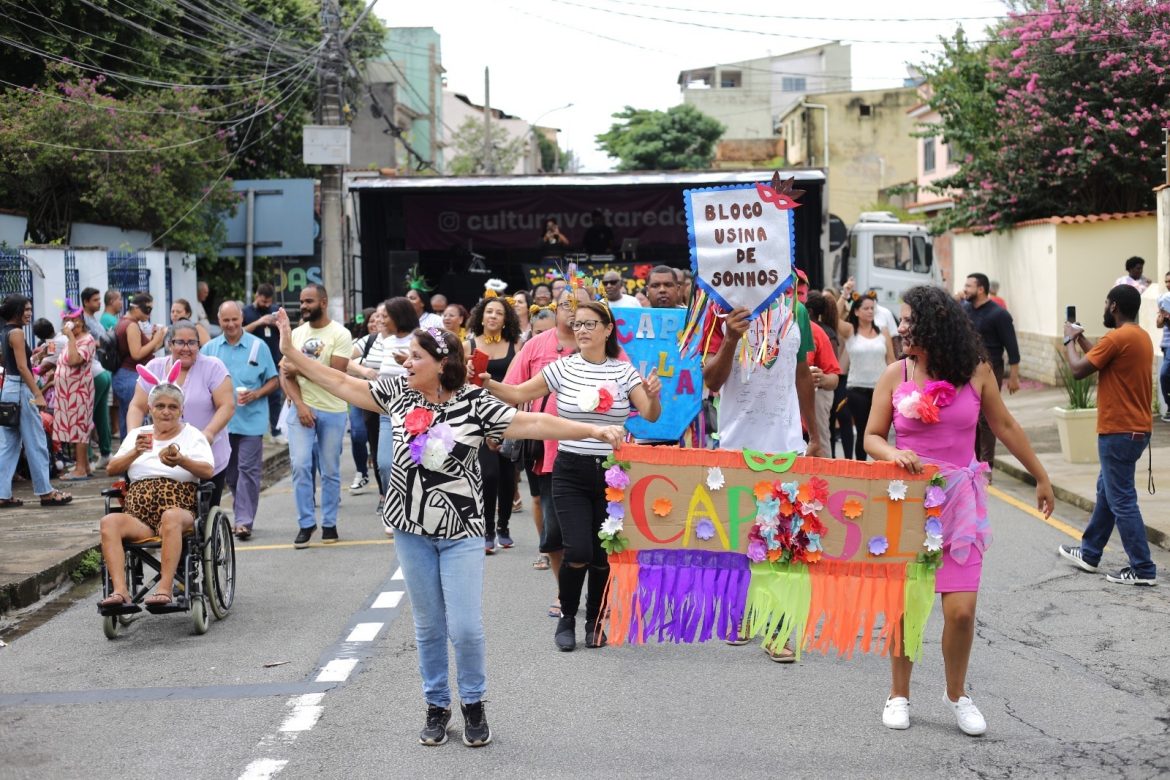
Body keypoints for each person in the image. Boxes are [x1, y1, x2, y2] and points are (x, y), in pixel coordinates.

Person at [273, 312, 625, 748]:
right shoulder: (397, 394)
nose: (406, 363)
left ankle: (473, 703)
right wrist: (290, 352)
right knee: (428, 627)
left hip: (462, 532)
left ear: (441, 363)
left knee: (466, 628)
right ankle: (436, 705)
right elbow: (343, 383)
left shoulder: (475, 403)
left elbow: (533, 423)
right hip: (410, 529)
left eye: (415, 357)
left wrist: (593, 430)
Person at [865, 284, 1054, 737]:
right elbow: (871, 436)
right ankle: (898, 694)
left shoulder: (977, 371)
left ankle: (956, 695)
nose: (901, 327)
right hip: (909, 506)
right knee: (908, 606)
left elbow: (1004, 424)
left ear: (935, 326)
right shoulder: (895, 374)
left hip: (961, 506)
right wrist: (894, 453)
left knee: (962, 612)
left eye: (909, 320)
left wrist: (1041, 475)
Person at [486, 300, 661, 652]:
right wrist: (484, 382)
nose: (581, 330)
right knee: (577, 549)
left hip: (612, 474)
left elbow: (651, 415)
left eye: (590, 324)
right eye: (577, 324)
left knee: (601, 554)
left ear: (608, 329)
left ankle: (595, 621)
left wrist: (654, 396)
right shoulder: (563, 367)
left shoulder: (623, 371)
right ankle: (567, 617)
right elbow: (518, 393)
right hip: (569, 469)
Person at [702, 277, 819, 662]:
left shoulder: (796, 312)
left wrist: (814, 432)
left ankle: (780, 629)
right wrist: (731, 338)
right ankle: (744, 614)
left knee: (784, 540)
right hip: (737, 447)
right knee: (741, 540)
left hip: (787, 446)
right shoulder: (721, 310)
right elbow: (711, 379)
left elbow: (802, 373)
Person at [1058, 284, 1157, 586]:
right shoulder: (1138, 336)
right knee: (1108, 491)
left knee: (1121, 499)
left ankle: (1143, 568)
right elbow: (1101, 358)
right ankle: (1090, 553)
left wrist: (1068, 340)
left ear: (1114, 306)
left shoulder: (1117, 337)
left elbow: (1078, 370)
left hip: (1118, 431)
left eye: (1105, 303)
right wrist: (1081, 339)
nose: (1104, 308)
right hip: (1136, 430)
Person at [97, 382, 214, 610]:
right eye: (160, 406)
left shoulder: (192, 435)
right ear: (150, 409)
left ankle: (165, 589)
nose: (166, 411)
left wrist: (182, 461)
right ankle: (120, 591)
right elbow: (112, 468)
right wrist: (136, 451)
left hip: (179, 510)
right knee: (109, 521)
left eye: (172, 406)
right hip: (139, 516)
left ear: (181, 410)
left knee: (171, 517)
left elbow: (208, 471)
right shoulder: (138, 435)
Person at [128, 321, 234, 508]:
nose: (186, 348)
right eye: (180, 342)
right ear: (170, 344)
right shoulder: (155, 367)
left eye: (192, 343)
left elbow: (226, 405)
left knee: (205, 511)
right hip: (161, 458)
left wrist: (208, 434)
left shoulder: (213, 367)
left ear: (198, 345)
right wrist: (133, 437)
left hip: (205, 454)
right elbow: (137, 406)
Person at [202, 301, 280, 540]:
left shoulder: (258, 346)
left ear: (242, 319)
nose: (231, 324)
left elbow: (274, 379)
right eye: (225, 320)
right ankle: (241, 510)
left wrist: (256, 394)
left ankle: (244, 521)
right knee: (231, 475)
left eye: (234, 319)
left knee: (248, 470)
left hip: (251, 421)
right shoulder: (210, 349)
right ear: (219, 320)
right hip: (221, 424)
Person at [282, 284, 351, 548]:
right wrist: (300, 405)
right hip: (302, 408)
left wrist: (299, 368)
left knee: (330, 470)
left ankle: (329, 523)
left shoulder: (340, 334)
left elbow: (336, 375)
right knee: (300, 465)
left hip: (333, 409)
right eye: (301, 301)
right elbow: (284, 374)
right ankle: (306, 523)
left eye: (308, 301)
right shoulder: (296, 334)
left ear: (323, 302)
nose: (303, 306)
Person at [0, 295, 73, 508]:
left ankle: (2, 494)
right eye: (26, 309)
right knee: (36, 441)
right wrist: (38, 393)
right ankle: (46, 492)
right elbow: (22, 368)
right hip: (21, 390)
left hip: (9, 389)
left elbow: (11, 362)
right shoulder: (17, 333)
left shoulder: (5, 331)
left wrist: (35, 358)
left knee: (9, 445)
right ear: (16, 311)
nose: (29, 313)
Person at [466, 295, 523, 553]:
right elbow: (459, 383)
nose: (493, 316)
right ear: (481, 316)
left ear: (506, 319)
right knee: (488, 475)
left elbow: (521, 382)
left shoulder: (516, 345)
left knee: (508, 477)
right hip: (478, 418)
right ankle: (487, 530)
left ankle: (503, 527)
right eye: (489, 311)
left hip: (509, 415)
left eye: (499, 313)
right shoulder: (468, 345)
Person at [962, 273, 1021, 471]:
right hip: (967, 369)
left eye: (969, 286)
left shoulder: (999, 315)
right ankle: (973, 463)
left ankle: (986, 467)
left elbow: (1012, 348)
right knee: (970, 416)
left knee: (986, 418)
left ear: (981, 289)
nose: (964, 289)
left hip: (992, 369)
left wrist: (1014, 377)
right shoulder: (965, 310)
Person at [373, 298, 420, 504]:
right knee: (385, 464)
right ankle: (395, 504)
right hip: (387, 411)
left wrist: (409, 361)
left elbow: (435, 368)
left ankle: (412, 506)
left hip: (417, 412)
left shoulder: (420, 339)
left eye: (386, 316)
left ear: (399, 317)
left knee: (415, 464)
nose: (382, 321)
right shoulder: (386, 342)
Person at [841, 292, 895, 460]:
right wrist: (844, 295)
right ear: (856, 311)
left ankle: (881, 468)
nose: (870, 311)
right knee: (863, 431)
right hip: (857, 388)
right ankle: (861, 467)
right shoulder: (850, 331)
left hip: (880, 389)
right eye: (866, 308)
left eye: (873, 308)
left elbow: (891, 360)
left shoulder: (883, 332)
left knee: (882, 433)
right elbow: (833, 316)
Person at [112, 293, 167, 444]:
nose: (149, 313)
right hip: (130, 376)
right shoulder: (131, 325)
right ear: (135, 308)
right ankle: (135, 452)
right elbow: (136, 354)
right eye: (146, 309)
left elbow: (146, 350)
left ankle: (129, 453)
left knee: (127, 420)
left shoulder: (125, 322)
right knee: (135, 421)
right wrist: (156, 339)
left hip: (125, 376)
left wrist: (157, 339)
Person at [54, 302, 97, 481]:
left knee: (80, 428)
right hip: (67, 393)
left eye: (74, 320)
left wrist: (70, 337)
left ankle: (80, 470)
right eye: (67, 320)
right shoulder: (72, 340)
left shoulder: (87, 340)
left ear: (81, 321)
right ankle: (84, 466)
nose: (72, 323)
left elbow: (74, 360)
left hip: (79, 391)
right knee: (74, 428)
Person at [346, 306, 380, 494]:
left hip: (383, 400)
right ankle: (361, 472)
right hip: (359, 395)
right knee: (358, 434)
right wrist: (362, 370)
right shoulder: (360, 343)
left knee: (380, 443)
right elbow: (342, 363)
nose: (376, 323)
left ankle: (386, 485)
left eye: (380, 319)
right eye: (372, 320)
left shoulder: (394, 342)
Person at [803, 292, 842, 458]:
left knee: (820, 446)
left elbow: (834, 376)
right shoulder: (766, 327)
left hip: (815, 401)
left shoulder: (818, 332)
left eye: (800, 294)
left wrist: (821, 378)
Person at [243, 283, 283, 440]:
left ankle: (276, 431)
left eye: (269, 302)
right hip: (252, 362)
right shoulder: (246, 312)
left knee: (275, 396)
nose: (266, 305)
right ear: (256, 296)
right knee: (252, 395)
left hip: (273, 359)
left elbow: (285, 332)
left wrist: (277, 323)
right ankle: (255, 430)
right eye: (263, 301)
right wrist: (259, 322)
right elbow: (239, 332)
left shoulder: (275, 310)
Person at [81, 287, 112, 469]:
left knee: (87, 416)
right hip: (99, 371)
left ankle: (88, 459)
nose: (99, 303)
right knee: (99, 415)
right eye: (95, 300)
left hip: (96, 372)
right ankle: (104, 453)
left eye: (99, 299)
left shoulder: (92, 320)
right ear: (85, 302)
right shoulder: (83, 319)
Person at [1158, 271, 1170, 423]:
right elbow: (1158, 324)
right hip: (1166, 344)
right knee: (1165, 375)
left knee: (1164, 374)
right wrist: (1163, 317)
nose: (1168, 284)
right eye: (1166, 281)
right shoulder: (1164, 299)